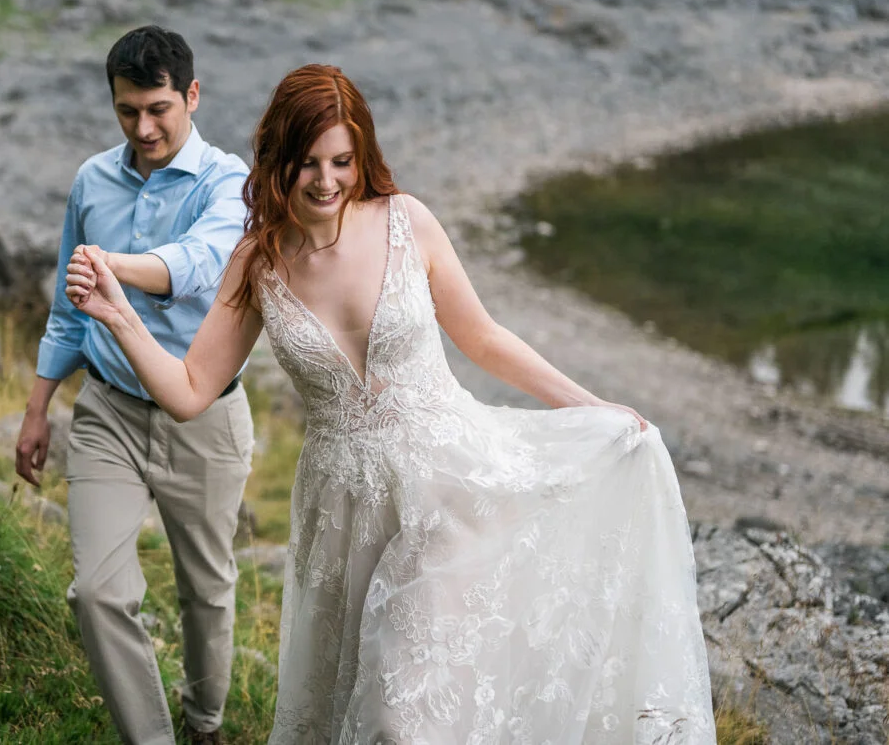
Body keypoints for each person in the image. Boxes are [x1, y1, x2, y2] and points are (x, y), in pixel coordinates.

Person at [64, 63, 717, 744]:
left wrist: (592, 407)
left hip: (447, 490)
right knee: (365, 708)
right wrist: (120, 316)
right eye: (307, 162)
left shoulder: (406, 222)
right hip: (344, 517)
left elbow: (485, 339)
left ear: (361, 156)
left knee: (400, 717)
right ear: (277, 159)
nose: (325, 181)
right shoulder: (258, 263)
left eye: (342, 161)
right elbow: (191, 392)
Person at [15, 25, 255, 745]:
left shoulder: (229, 182)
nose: (144, 128)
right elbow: (66, 303)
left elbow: (198, 264)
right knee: (97, 592)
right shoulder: (93, 180)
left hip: (204, 420)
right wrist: (37, 410)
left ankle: (204, 723)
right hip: (108, 413)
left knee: (206, 592)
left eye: (158, 109)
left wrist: (111, 265)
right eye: (127, 112)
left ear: (192, 95)